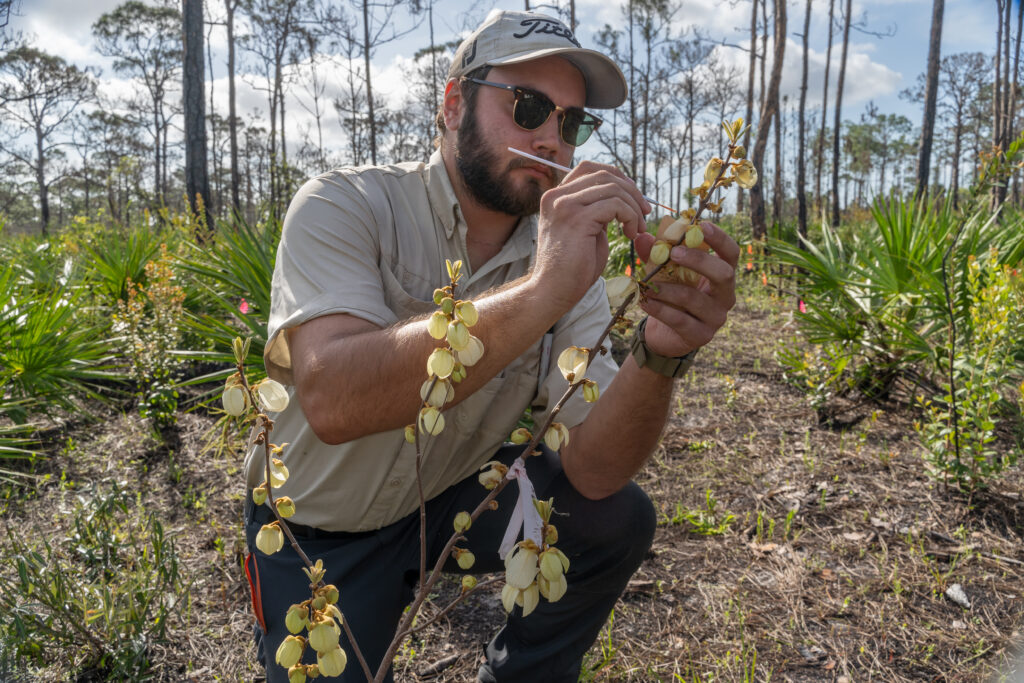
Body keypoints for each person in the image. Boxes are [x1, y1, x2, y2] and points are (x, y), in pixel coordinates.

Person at [242, 8, 739, 682]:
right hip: (319, 530)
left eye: (571, 123)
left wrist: (661, 352)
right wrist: (540, 292)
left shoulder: (563, 259)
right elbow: (333, 397)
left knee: (613, 517)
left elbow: (594, 471)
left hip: (450, 497)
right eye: (529, 107)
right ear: (454, 104)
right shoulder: (344, 205)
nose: (553, 140)